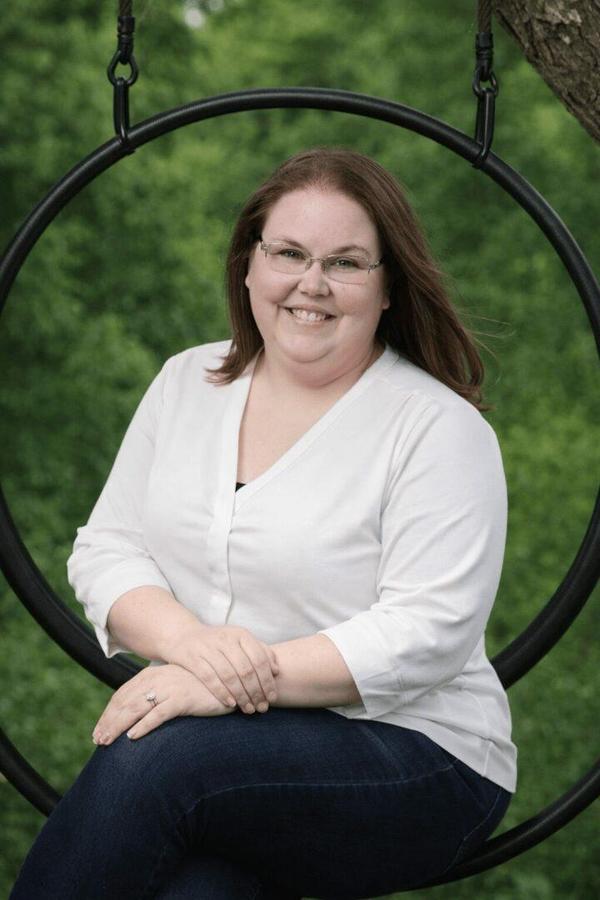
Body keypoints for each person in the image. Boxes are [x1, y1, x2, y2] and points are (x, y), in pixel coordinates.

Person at [11, 147, 517, 900]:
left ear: (388, 288)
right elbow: (109, 548)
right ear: (249, 264)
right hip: (230, 758)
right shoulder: (186, 382)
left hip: (416, 758)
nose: (312, 283)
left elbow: (429, 629)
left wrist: (234, 684)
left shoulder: (437, 429)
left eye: (345, 263)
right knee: (197, 888)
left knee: (162, 756)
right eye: (288, 253)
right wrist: (192, 648)